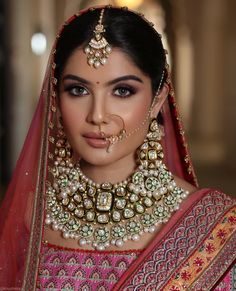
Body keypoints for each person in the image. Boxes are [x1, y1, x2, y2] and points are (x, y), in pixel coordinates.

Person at [0, 5, 235, 290]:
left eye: (122, 91)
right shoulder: (27, 215)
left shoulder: (216, 228)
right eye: (78, 90)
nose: (97, 115)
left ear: (157, 100)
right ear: (56, 98)